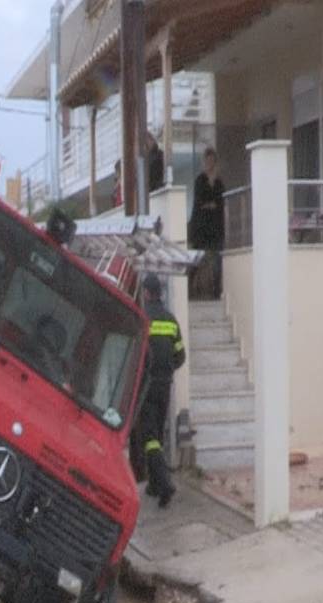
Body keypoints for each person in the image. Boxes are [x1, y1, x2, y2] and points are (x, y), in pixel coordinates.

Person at [138, 273, 186, 508]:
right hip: (164, 386)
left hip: (146, 386)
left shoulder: (142, 319)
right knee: (156, 432)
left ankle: (164, 483)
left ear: (146, 293)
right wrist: (167, 370)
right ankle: (155, 485)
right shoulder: (171, 320)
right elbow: (181, 356)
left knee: (149, 438)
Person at [188, 147, 226, 299]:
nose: (209, 164)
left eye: (212, 161)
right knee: (197, 260)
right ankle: (191, 290)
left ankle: (216, 291)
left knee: (217, 260)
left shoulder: (219, 182)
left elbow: (221, 202)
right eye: (207, 161)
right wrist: (211, 205)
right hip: (201, 228)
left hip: (216, 228)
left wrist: (212, 204)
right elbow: (199, 202)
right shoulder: (200, 180)